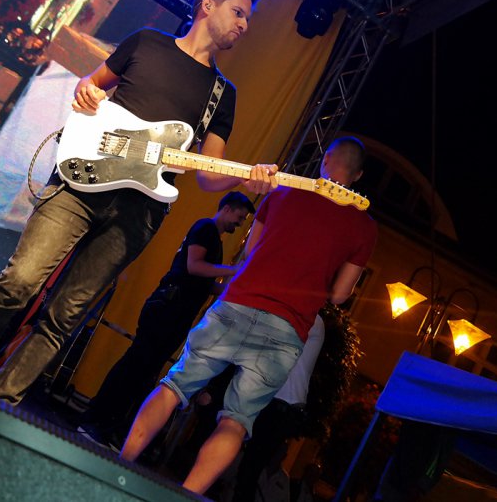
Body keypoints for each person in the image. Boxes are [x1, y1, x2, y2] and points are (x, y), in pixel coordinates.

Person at [0, 0, 279, 407]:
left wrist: (244, 177)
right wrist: (86, 91)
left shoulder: (222, 95)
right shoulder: (147, 43)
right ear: (208, 6)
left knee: (65, 315)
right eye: (239, 13)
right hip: (79, 183)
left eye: (248, 20)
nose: (244, 25)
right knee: (18, 282)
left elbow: (209, 174)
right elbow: (90, 84)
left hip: (139, 213)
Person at [120, 137, 377, 495]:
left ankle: (119, 468)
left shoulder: (282, 191)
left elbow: (251, 252)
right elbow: (339, 294)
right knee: (237, 421)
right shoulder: (365, 228)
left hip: (237, 305)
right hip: (286, 329)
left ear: (325, 160)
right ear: (358, 175)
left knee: (175, 386)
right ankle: (186, 495)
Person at [78, 191, 256, 450]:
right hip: (168, 307)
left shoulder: (213, 238)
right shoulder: (205, 227)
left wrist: (236, 289)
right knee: (135, 366)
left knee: (143, 371)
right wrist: (234, 270)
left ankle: (109, 425)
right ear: (227, 208)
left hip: (176, 311)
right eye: (240, 217)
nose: (239, 223)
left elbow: (203, 281)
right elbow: (194, 266)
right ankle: (96, 420)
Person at [232, 314, 325, 501]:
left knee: (251, 464)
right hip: (281, 403)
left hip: (280, 404)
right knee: (251, 463)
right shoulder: (312, 321)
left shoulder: (311, 319)